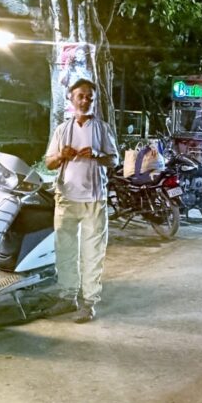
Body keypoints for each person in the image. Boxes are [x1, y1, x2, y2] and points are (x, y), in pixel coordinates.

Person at [44, 78, 119, 324]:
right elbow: (49, 162)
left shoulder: (102, 129)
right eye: (81, 96)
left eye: (89, 97)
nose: (85, 100)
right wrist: (61, 155)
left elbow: (114, 160)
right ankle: (67, 297)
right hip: (66, 198)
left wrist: (97, 155)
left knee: (92, 253)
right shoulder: (62, 129)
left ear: (94, 102)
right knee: (65, 251)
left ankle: (89, 303)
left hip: (94, 200)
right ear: (71, 98)